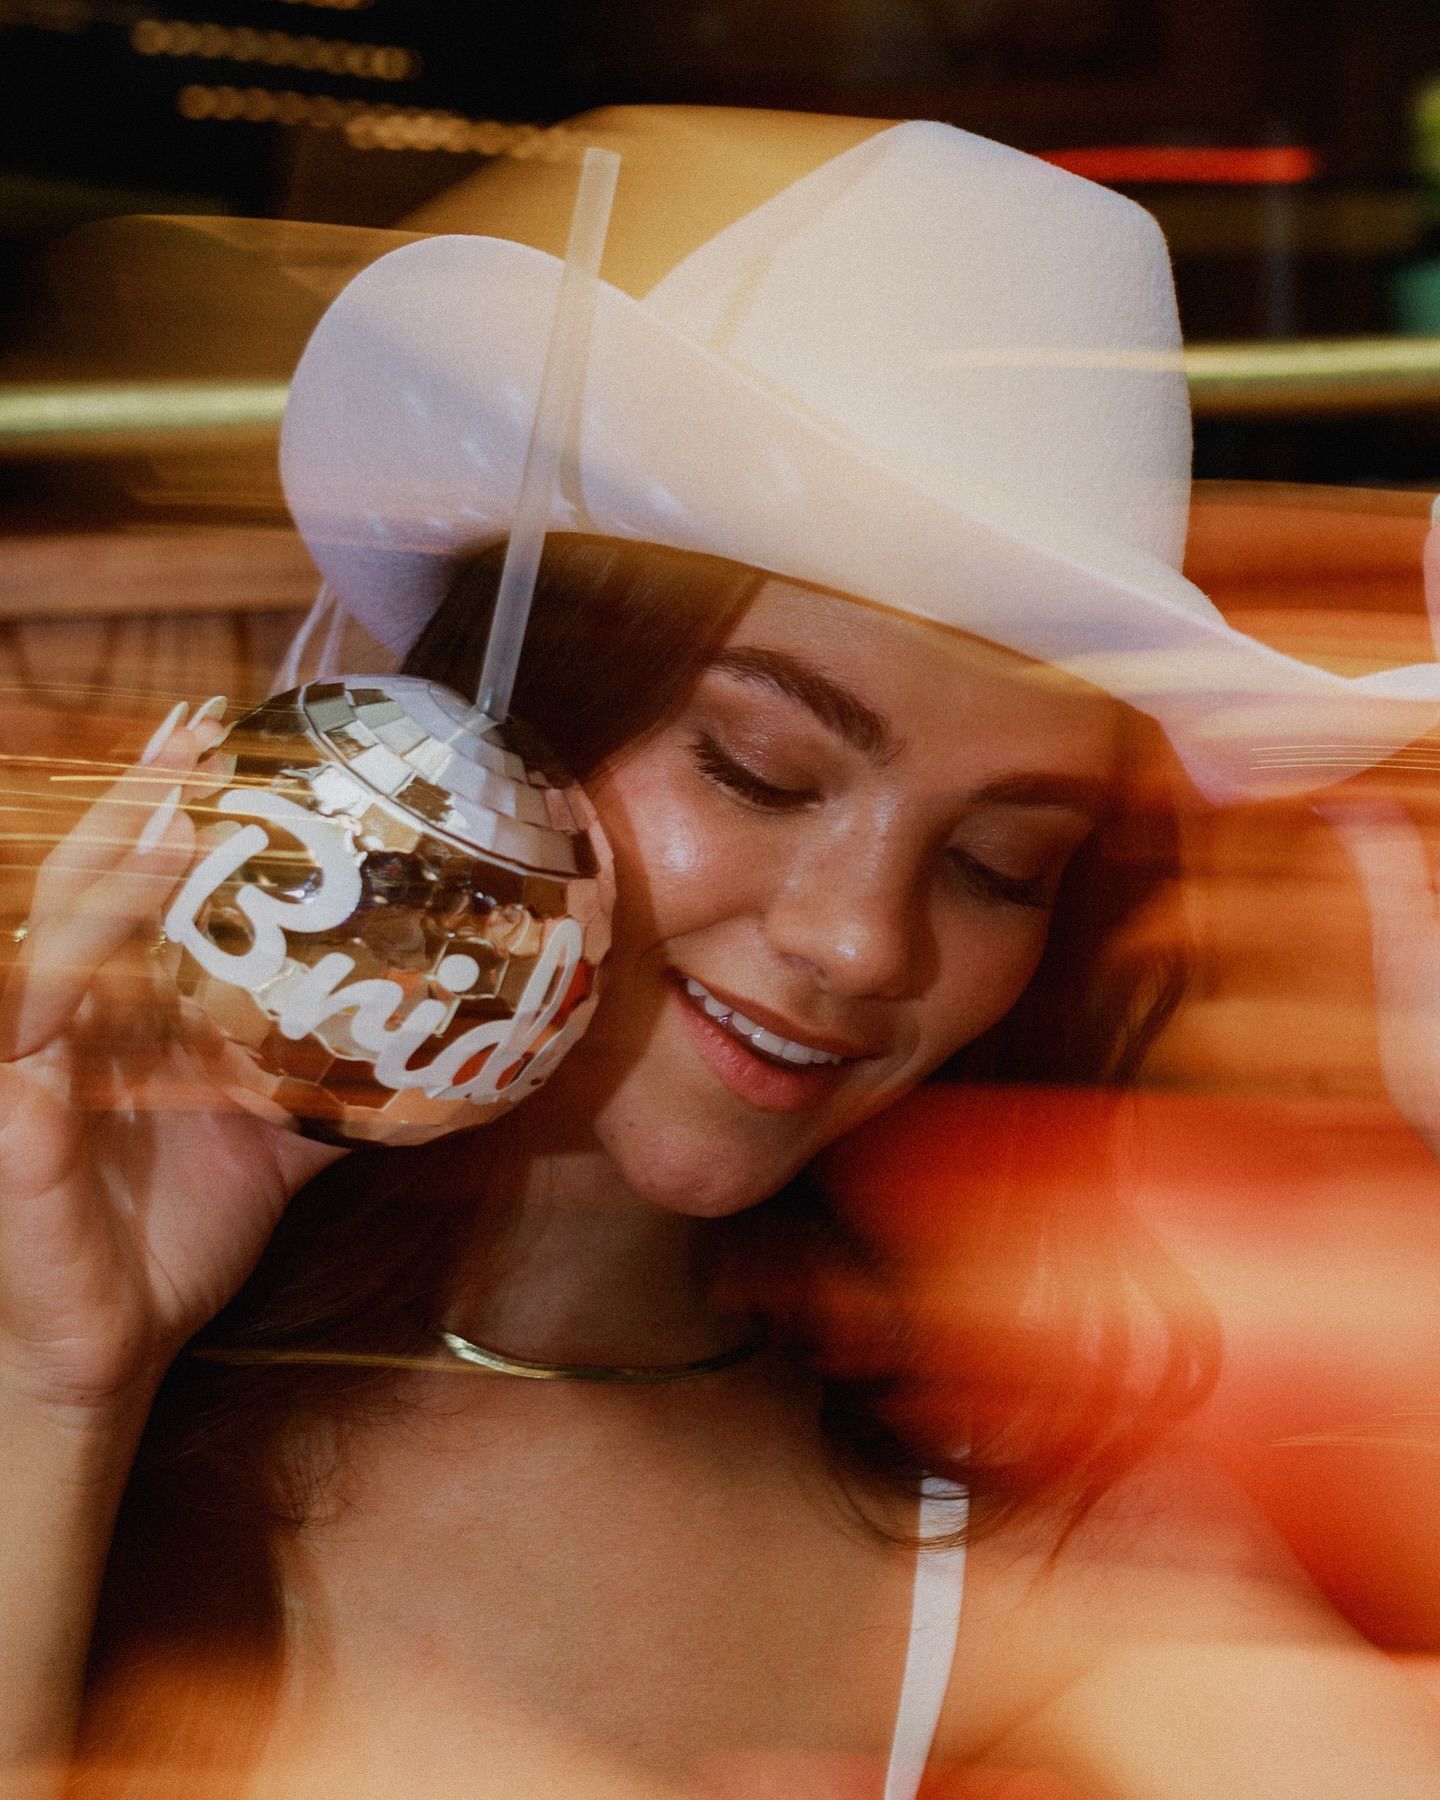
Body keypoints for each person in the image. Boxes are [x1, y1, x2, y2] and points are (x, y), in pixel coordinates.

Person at [6, 108, 1440, 1800]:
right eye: (759, 770)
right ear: (495, 719)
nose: (859, 942)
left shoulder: (1046, 1557)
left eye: (1000, 864)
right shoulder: (71, 1349)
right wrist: (50, 1393)